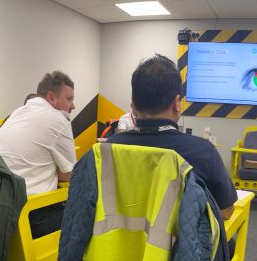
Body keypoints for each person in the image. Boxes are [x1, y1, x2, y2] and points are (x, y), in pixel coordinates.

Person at [101, 54, 237, 218]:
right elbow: (225, 211)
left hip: (116, 241)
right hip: (180, 243)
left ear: (133, 105)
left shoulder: (107, 148)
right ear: (176, 104)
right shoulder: (204, 152)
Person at [0, 71, 77, 238]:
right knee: (88, 211)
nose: (73, 106)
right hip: (29, 217)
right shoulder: (59, 120)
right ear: (51, 97)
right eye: (69, 99)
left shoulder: (17, 113)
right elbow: (68, 175)